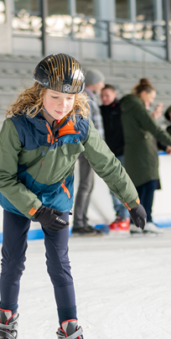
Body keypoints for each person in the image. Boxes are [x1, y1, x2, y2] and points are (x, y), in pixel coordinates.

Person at [0, 54, 146, 339]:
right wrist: (35, 208)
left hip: (57, 199)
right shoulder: (17, 126)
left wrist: (132, 201)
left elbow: (108, 164)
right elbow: (2, 176)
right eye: (55, 97)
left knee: (60, 266)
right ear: (40, 93)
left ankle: (71, 333)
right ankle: (5, 324)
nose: (62, 105)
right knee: (13, 261)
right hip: (19, 199)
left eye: (69, 98)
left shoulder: (80, 126)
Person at [120, 78, 171, 236]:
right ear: (143, 94)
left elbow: (143, 125)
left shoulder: (128, 107)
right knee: (149, 184)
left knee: (138, 187)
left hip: (133, 152)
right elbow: (154, 129)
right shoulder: (138, 108)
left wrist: (152, 115)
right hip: (143, 152)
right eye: (151, 97)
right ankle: (147, 220)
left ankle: (137, 222)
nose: (152, 101)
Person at [72, 68, 106, 237]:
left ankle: (82, 221)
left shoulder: (89, 97)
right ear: (94, 82)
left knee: (88, 185)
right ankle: (79, 223)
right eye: (101, 81)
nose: (103, 85)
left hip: (89, 147)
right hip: (88, 148)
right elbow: (85, 125)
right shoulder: (85, 98)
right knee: (85, 185)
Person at [100, 84, 131, 231]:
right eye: (102, 96)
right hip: (108, 154)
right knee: (112, 186)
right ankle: (120, 215)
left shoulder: (122, 109)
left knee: (122, 184)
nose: (104, 99)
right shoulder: (101, 111)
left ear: (114, 94)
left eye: (107, 95)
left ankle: (126, 216)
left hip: (123, 152)